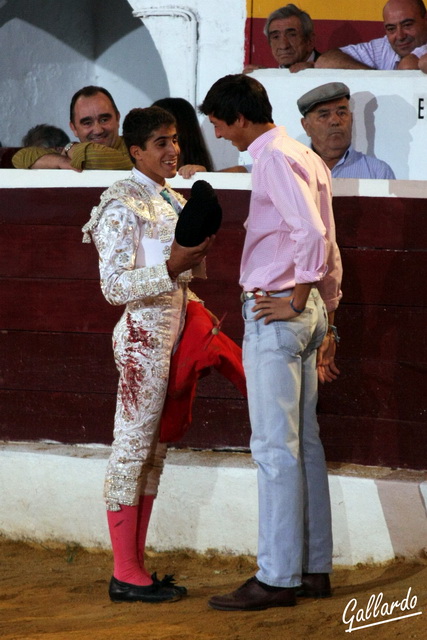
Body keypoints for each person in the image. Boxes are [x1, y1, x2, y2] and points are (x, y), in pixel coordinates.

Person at [199, 74, 342, 611]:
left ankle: (278, 576)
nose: (214, 130)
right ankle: (312, 568)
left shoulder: (274, 158)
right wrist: (326, 310)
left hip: (278, 308)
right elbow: (328, 240)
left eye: (217, 120)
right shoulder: (301, 155)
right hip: (304, 314)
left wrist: (299, 299)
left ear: (238, 117)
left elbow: (311, 235)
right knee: (303, 444)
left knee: (274, 449)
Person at [81, 106, 215, 603]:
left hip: (171, 333)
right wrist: (176, 264)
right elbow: (113, 287)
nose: (172, 149)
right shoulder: (121, 205)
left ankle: (133, 568)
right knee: (132, 450)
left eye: (175, 139)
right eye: (160, 142)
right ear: (135, 151)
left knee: (153, 455)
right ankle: (124, 571)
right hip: (141, 338)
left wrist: (190, 263)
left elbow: (182, 274)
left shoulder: (169, 200)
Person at [12, 86, 133, 171]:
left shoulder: (137, 149)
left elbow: (94, 157)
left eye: (104, 120)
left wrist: (72, 149)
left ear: (117, 118)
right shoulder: (72, 156)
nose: (98, 130)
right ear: (74, 128)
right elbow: (20, 157)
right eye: (87, 123)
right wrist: (61, 161)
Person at [298, 82, 396, 179]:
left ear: (351, 119)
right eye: (324, 115)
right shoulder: (292, 172)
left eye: (341, 113)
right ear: (306, 126)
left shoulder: (378, 173)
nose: (335, 121)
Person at [315, 0, 427, 70]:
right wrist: (374, 77)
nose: (400, 36)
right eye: (391, 29)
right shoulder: (383, 47)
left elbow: (408, 66)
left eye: (407, 25)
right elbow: (325, 61)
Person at [244, 4, 320, 74]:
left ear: (310, 41)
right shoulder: (266, 77)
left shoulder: (329, 69)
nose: (283, 46)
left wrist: (320, 69)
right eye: (276, 37)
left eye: (292, 35)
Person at [152, 97, 214, 173]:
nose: (173, 151)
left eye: (174, 141)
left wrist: (202, 176)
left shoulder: (198, 173)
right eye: (161, 144)